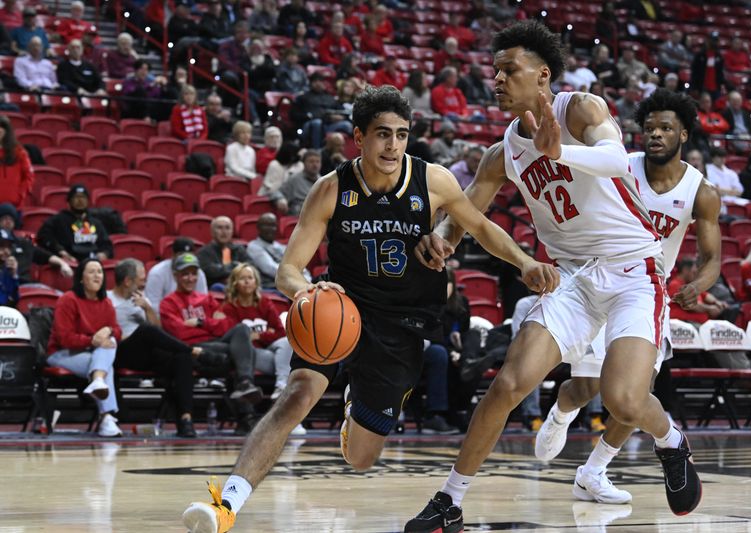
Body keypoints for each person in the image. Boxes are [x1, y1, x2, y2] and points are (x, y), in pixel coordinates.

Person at [182, 84, 552, 533]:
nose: (393, 144)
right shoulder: (331, 188)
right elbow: (288, 269)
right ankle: (226, 507)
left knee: (361, 458)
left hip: (401, 326)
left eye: (400, 134)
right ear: (359, 137)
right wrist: (305, 293)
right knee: (296, 396)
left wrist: (527, 261)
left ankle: (355, 405)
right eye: (382, 134)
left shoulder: (432, 180)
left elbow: (481, 227)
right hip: (340, 313)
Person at [406, 21, 702, 532]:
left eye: (508, 70)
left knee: (624, 398)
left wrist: (559, 151)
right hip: (571, 279)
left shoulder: (580, 108)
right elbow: (467, 208)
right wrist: (445, 240)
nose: (496, 79)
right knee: (509, 383)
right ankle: (450, 500)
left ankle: (671, 440)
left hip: (634, 270)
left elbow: (613, 158)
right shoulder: (503, 152)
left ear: (542, 76)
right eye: (494, 71)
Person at [533, 89, 722, 504]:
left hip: (644, 287)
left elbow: (712, 259)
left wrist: (698, 285)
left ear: (684, 134)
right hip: (596, 276)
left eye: (665, 128)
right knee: (583, 389)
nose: (655, 135)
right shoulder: (618, 164)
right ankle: (561, 412)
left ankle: (593, 472)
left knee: (635, 394)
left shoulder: (700, 191)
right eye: (649, 128)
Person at [109, 259, 200, 438]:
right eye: (141, 279)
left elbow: (158, 331)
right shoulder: (107, 299)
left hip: (147, 352)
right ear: (128, 281)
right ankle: (190, 350)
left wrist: (148, 309)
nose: (144, 283)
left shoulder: (142, 299)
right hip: (120, 352)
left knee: (180, 358)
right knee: (146, 331)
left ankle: (186, 420)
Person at [160, 252, 263, 407]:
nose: (190, 278)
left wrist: (201, 323)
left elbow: (228, 324)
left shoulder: (207, 299)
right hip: (194, 351)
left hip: (216, 343)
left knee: (241, 328)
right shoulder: (168, 303)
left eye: (193, 274)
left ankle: (245, 384)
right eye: (185, 274)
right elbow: (180, 333)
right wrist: (212, 326)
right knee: (245, 351)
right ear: (176, 276)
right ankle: (246, 412)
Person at [47, 259, 122, 437]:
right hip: (61, 353)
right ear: (81, 278)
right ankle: (106, 416)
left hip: (92, 352)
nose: (97, 276)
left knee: (110, 342)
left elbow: (118, 330)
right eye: (92, 272)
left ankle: (98, 383)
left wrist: (109, 330)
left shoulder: (106, 302)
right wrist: (92, 341)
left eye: (100, 272)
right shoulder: (68, 300)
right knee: (105, 366)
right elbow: (63, 338)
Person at [220, 264, 297, 413]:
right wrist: (267, 333)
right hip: (251, 357)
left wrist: (258, 336)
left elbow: (281, 333)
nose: (247, 281)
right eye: (242, 278)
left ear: (256, 282)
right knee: (285, 360)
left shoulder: (265, 303)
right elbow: (236, 339)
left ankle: (281, 386)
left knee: (288, 343)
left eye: (250, 278)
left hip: (271, 351)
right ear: (235, 283)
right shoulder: (228, 307)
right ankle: (285, 394)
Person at [37, 184, 113, 262]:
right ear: (69, 202)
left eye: (83, 197)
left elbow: (107, 245)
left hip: (92, 261)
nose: (80, 200)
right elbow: (44, 237)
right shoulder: (58, 220)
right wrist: (61, 251)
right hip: (68, 261)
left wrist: (104, 254)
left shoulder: (96, 223)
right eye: (76, 197)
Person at [145, 237, 208, 317]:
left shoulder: (198, 273)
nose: (184, 260)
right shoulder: (157, 273)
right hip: (164, 319)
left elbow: (203, 302)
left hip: (191, 318)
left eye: (188, 256)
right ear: (173, 255)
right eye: (181, 255)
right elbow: (153, 306)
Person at [246, 213, 311, 290]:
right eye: (266, 225)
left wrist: (306, 281)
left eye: (273, 225)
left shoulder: (282, 247)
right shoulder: (253, 246)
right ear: (258, 227)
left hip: (291, 283)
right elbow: (270, 268)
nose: (270, 229)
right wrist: (297, 278)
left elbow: (299, 265)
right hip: (270, 287)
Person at [197, 216, 250, 289]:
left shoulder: (239, 249)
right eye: (219, 228)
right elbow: (210, 271)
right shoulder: (204, 252)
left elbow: (250, 267)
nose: (224, 231)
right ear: (212, 232)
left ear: (232, 232)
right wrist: (234, 266)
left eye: (227, 228)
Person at [0, 115, 33, 209]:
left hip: (14, 207)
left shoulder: (19, 153)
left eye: (2, 127)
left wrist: (20, 194)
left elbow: (29, 176)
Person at [276, 149, 322, 216]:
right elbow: (277, 192)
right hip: (299, 218)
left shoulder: (324, 181)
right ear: (304, 163)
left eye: (317, 162)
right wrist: (280, 199)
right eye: (311, 162)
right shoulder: (294, 179)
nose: (315, 165)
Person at [0, 229, 19, 307]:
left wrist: (14, 275)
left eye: (9, 247)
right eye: (1, 246)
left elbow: (14, 299)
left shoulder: (7, 269)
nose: (7, 251)